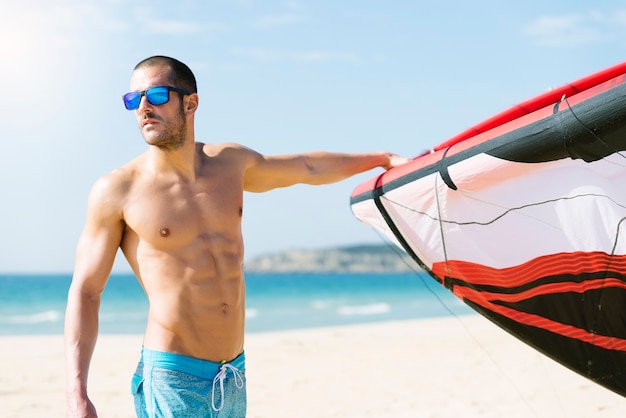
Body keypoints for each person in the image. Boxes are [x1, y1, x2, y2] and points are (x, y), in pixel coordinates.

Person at [64, 55, 409, 418]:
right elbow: (86, 291)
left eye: (157, 95)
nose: (144, 107)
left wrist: (381, 159)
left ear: (191, 102)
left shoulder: (229, 164)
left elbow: (306, 167)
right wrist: (77, 393)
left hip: (233, 373)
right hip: (172, 377)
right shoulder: (117, 190)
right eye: (134, 100)